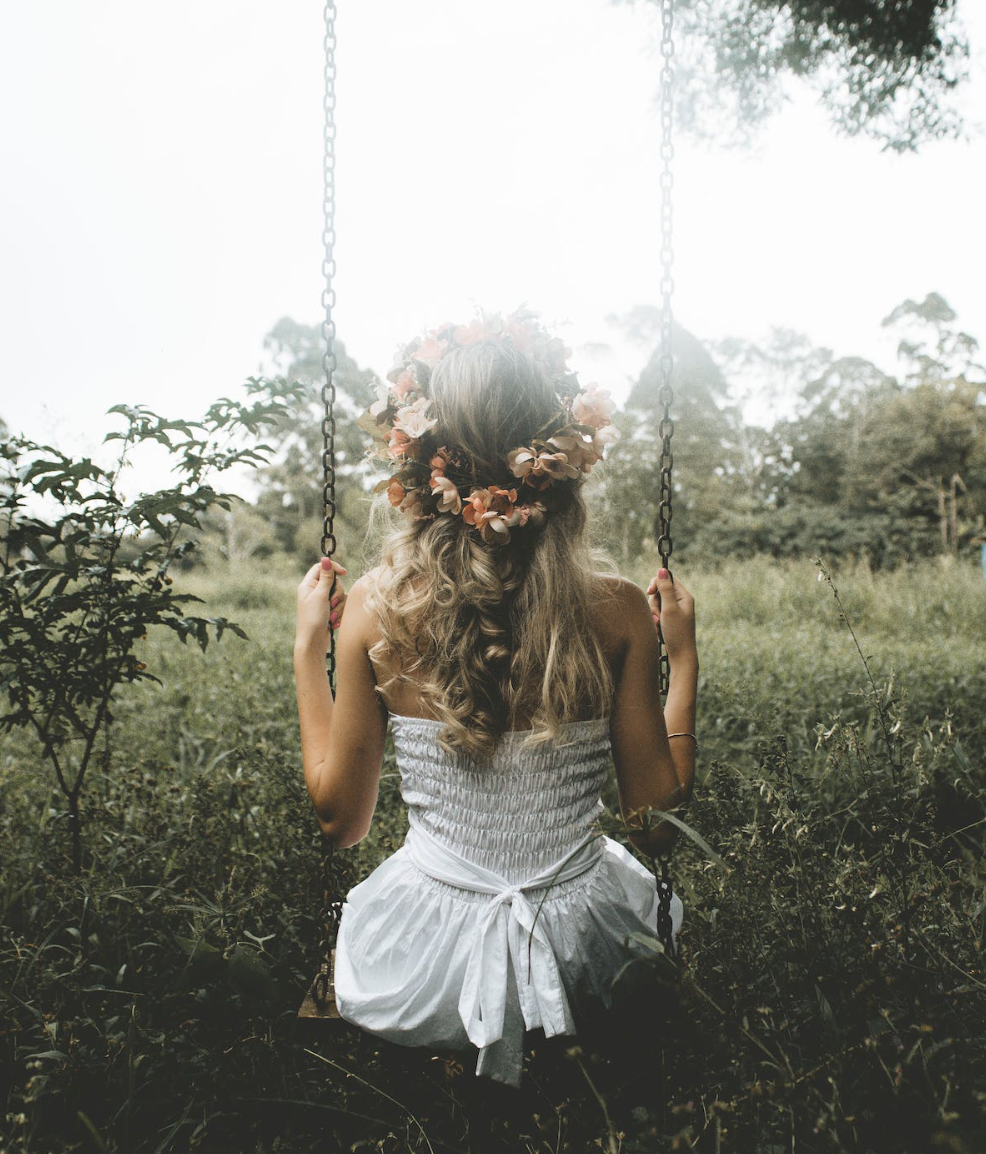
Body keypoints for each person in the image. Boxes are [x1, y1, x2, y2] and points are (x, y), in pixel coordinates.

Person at [293, 309, 698, 1088]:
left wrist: (310, 651)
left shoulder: (379, 609)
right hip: (586, 951)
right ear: (563, 458)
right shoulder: (616, 612)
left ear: (421, 466)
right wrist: (682, 660)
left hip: (427, 961)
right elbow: (656, 824)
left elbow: (339, 824)